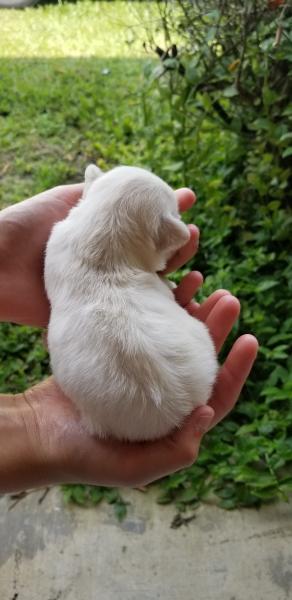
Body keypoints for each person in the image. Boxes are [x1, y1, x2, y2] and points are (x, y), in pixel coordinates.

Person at [0, 183, 258, 494]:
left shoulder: (56, 245)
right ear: (167, 234)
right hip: (187, 384)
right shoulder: (143, 260)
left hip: (108, 413)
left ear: (91, 189)